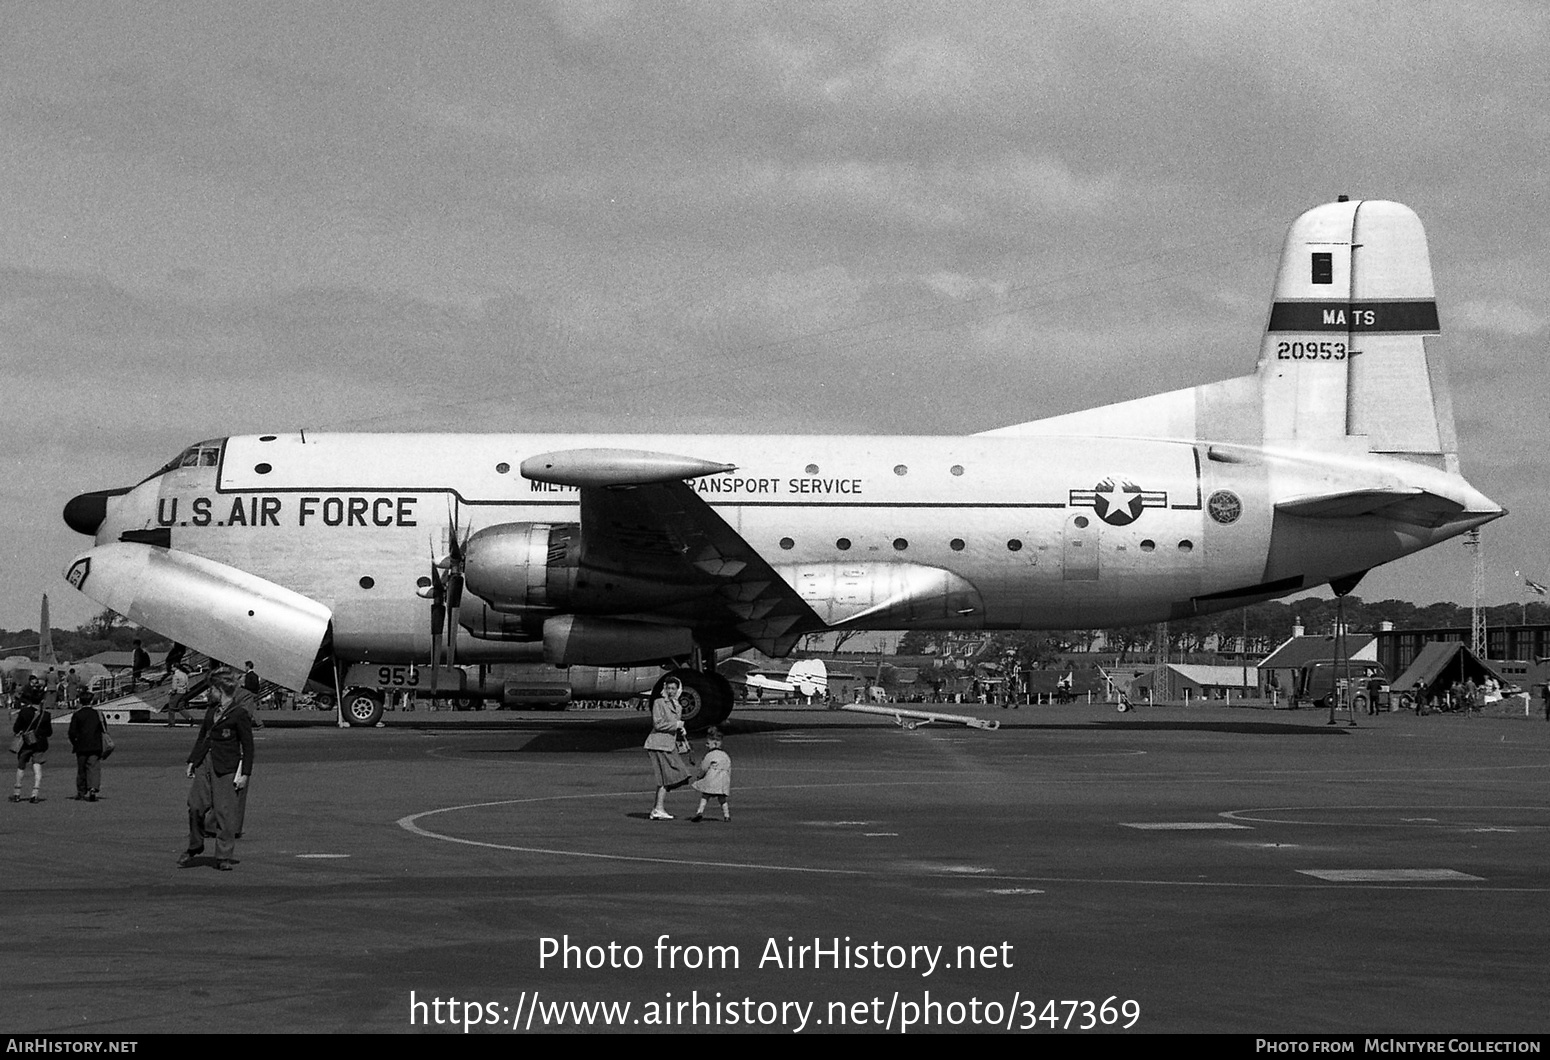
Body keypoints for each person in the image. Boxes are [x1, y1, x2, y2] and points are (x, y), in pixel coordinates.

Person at [178, 670, 254, 871]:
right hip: (205, 762)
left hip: (227, 766)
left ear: (220, 690)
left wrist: (245, 773)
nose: (209, 692)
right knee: (195, 804)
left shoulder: (240, 714)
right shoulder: (211, 711)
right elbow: (203, 736)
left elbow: (248, 746)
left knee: (224, 811)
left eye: (212, 688)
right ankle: (195, 845)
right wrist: (192, 761)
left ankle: (224, 856)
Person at [643, 677, 693, 821]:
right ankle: (658, 808)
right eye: (668, 688)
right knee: (668, 777)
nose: (670, 691)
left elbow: (674, 724)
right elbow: (658, 724)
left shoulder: (678, 706)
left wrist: (681, 730)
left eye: (673, 689)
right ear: (664, 689)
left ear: (678, 690)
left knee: (672, 776)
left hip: (668, 744)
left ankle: (658, 808)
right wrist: (676, 725)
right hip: (658, 743)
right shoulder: (659, 702)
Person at [11, 677, 52, 803]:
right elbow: (49, 732)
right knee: (37, 768)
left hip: (25, 742)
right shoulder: (46, 715)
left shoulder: (24, 712)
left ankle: (17, 792)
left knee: (21, 767)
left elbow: (16, 728)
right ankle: (35, 792)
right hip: (39, 744)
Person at [67, 699, 106, 801]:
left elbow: (72, 732)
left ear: (80, 702)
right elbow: (104, 728)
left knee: (81, 769)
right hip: (95, 745)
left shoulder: (77, 714)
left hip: (81, 745)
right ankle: (93, 788)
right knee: (93, 768)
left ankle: (81, 791)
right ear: (92, 702)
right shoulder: (98, 714)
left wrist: (74, 742)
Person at [690, 728, 732, 823]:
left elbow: (704, 767)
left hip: (712, 779)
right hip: (723, 781)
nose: (706, 745)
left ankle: (699, 812)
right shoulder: (725, 755)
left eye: (708, 743)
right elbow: (728, 768)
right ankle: (727, 815)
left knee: (705, 796)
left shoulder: (710, 755)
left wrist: (699, 776)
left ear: (715, 744)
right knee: (722, 799)